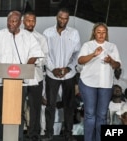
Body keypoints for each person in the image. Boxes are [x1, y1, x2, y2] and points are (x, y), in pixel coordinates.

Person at [0, 10, 44, 141]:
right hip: (1, 79)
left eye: (14, 21)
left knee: (18, 110)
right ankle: (2, 136)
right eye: (9, 21)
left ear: (20, 23)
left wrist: (27, 67)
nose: (10, 23)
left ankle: (18, 137)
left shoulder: (28, 37)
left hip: (20, 81)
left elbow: (35, 54)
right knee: (2, 109)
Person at [78, 22, 121, 141]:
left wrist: (111, 61)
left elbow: (117, 65)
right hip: (88, 83)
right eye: (98, 32)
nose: (101, 35)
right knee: (90, 114)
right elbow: (80, 60)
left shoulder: (112, 46)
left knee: (102, 115)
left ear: (106, 33)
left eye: (104, 32)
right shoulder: (88, 45)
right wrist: (93, 54)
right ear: (94, 33)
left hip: (105, 84)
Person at [42, 8, 81, 141]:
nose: (63, 20)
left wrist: (69, 68)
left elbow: (77, 54)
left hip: (69, 75)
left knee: (69, 105)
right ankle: (48, 133)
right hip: (51, 74)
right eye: (61, 18)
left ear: (68, 19)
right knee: (50, 105)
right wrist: (53, 69)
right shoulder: (47, 32)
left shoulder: (74, 33)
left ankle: (68, 133)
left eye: (65, 18)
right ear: (56, 17)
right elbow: (44, 54)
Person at [22, 11, 48, 141]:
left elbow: (44, 58)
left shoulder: (41, 38)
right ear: (23, 22)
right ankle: (19, 133)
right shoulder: (16, 36)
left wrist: (33, 62)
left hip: (36, 76)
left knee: (35, 107)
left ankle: (33, 134)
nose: (30, 23)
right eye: (28, 20)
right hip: (19, 77)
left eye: (33, 21)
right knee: (18, 106)